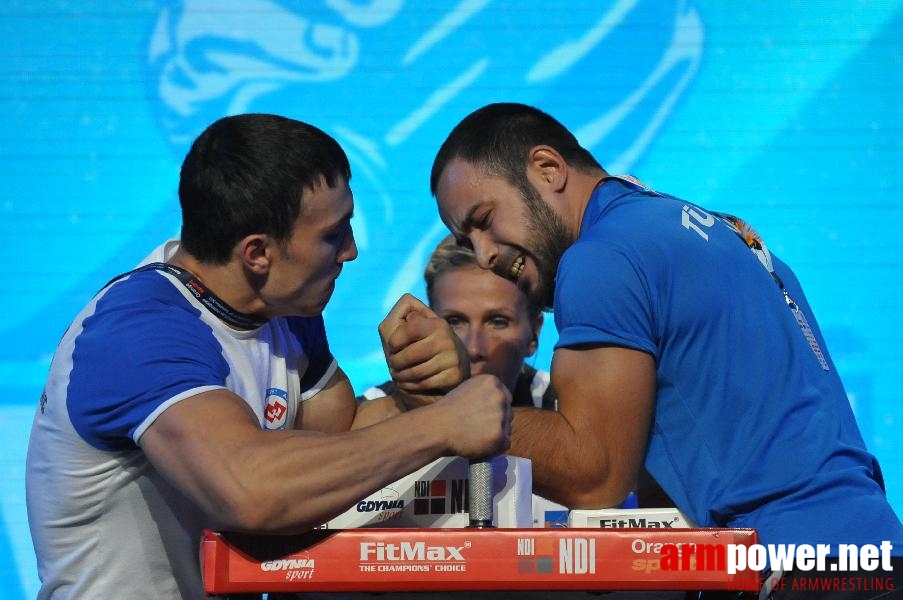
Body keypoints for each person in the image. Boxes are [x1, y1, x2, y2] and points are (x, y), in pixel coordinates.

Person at [25, 113, 511, 599]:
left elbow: (339, 441)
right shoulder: (136, 332)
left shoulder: (281, 307)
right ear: (257, 253)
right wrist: (439, 424)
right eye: (333, 234)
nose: (352, 250)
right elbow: (251, 490)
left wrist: (425, 387)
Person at [430, 102, 903, 596]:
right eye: (466, 239)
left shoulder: (602, 257)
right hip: (873, 553)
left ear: (548, 170)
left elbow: (596, 475)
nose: (484, 255)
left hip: (797, 570)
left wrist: (449, 408)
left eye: (484, 220)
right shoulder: (719, 232)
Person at [360, 233, 556, 411]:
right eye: (454, 322)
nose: (472, 349)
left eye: (498, 322)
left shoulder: (565, 411)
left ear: (533, 334)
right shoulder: (369, 413)